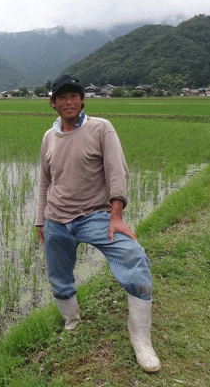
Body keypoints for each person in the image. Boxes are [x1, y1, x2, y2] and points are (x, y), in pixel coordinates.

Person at [35, 74, 160, 373]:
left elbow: (117, 171)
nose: (69, 102)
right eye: (62, 97)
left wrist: (116, 216)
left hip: (95, 216)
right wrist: (40, 220)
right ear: (53, 103)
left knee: (134, 257)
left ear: (82, 100)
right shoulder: (49, 137)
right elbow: (44, 182)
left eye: (74, 96)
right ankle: (72, 324)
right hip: (56, 220)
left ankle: (141, 340)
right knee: (59, 277)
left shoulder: (100, 128)